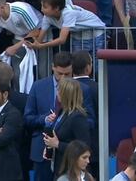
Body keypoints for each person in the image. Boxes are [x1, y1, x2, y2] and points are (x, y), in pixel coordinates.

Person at [24, 51, 94, 181]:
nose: (62, 78)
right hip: (44, 153)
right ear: (53, 67)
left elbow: (89, 122)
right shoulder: (38, 86)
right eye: (59, 73)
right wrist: (44, 119)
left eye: (66, 74)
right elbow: (27, 118)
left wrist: (73, 124)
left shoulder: (82, 91)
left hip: (67, 160)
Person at [27, 0, 105, 65]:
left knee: (98, 66)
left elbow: (62, 39)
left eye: (45, 7)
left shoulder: (68, 13)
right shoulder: (47, 17)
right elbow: (40, 39)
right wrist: (34, 43)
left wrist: (41, 46)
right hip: (78, 36)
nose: (42, 9)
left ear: (57, 8)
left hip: (97, 34)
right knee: (78, 65)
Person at [43, 78, 91, 178]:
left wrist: (58, 145)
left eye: (59, 90)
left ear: (66, 94)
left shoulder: (78, 117)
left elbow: (83, 147)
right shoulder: (63, 112)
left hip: (71, 171)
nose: (57, 92)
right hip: (59, 166)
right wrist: (50, 145)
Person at [72, 50, 99, 179]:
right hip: (96, 145)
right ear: (88, 67)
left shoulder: (66, 88)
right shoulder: (99, 88)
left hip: (72, 147)